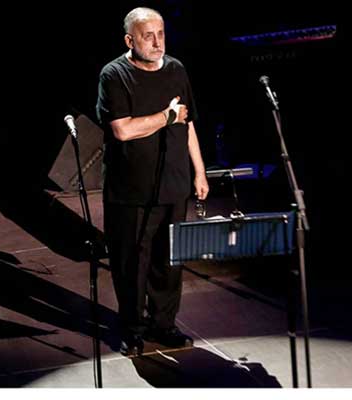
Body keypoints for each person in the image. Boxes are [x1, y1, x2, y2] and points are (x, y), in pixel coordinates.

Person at [96, 7, 209, 356]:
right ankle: (132, 328)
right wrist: (166, 116)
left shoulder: (176, 69)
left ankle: (164, 324)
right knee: (132, 263)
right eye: (149, 36)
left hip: (174, 184)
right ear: (130, 40)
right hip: (130, 190)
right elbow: (123, 130)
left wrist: (199, 171)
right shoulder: (114, 75)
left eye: (161, 34)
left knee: (169, 260)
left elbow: (188, 122)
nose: (158, 42)